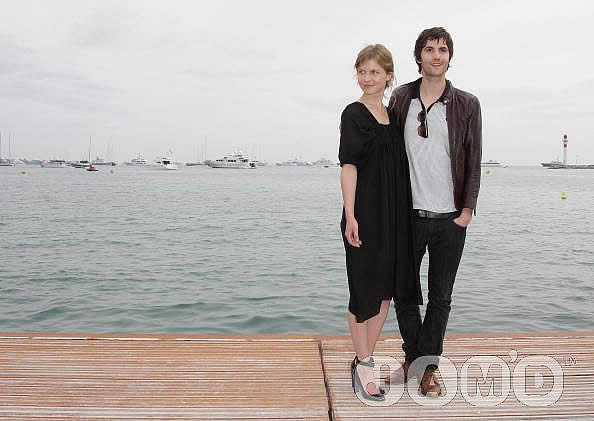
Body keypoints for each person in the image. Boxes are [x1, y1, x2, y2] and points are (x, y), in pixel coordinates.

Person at [386, 27, 482, 397]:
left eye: (443, 49)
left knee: (441, 296)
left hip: (450, 218)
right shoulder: (401, 99)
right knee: (404, 293)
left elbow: (473, 159)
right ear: (418, 56)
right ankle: (415, 359)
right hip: (408, 216)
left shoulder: (467, 104)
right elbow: (389, 155)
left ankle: (428, 368)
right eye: (429, 49)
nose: (436, 55)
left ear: (449, 56)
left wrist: (467, 208)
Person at [339, 44, 420, 402]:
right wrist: (351, 214)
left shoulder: (395, 117)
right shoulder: (353, 114)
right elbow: (349, 167)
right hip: (364, 215)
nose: (368, 78)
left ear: (389, 75)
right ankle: (366, 364)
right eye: (362, 71)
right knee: (363, 293)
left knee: (385, 293)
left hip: (394, 216)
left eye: (375, 72)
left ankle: (361, 360)